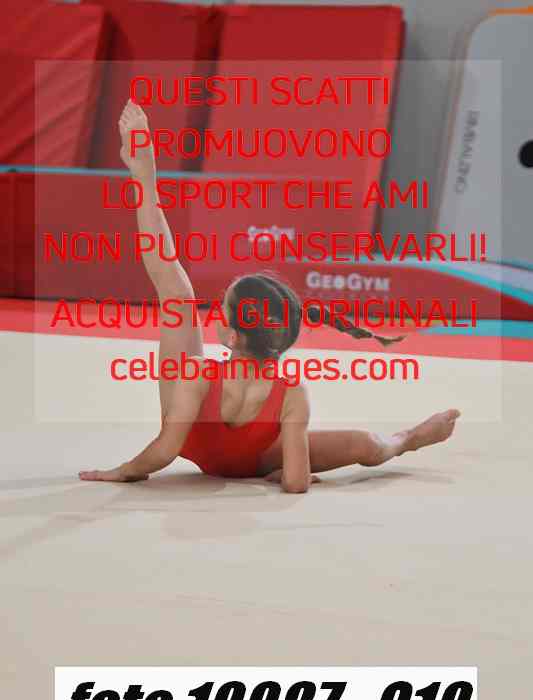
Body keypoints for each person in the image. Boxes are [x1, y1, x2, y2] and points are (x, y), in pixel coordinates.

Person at [79, 100, 460, 493]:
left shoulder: (197, 377)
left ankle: (145, 180)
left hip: (201, 440)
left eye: (222, 311)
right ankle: (408, 439)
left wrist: (124, 470)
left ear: (233, 335)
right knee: (369, 445)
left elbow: (164, 450)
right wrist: (292, 473)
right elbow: (296, 484)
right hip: (255, 458)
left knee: (176, 292)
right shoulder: (290, 391)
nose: (215, 315)